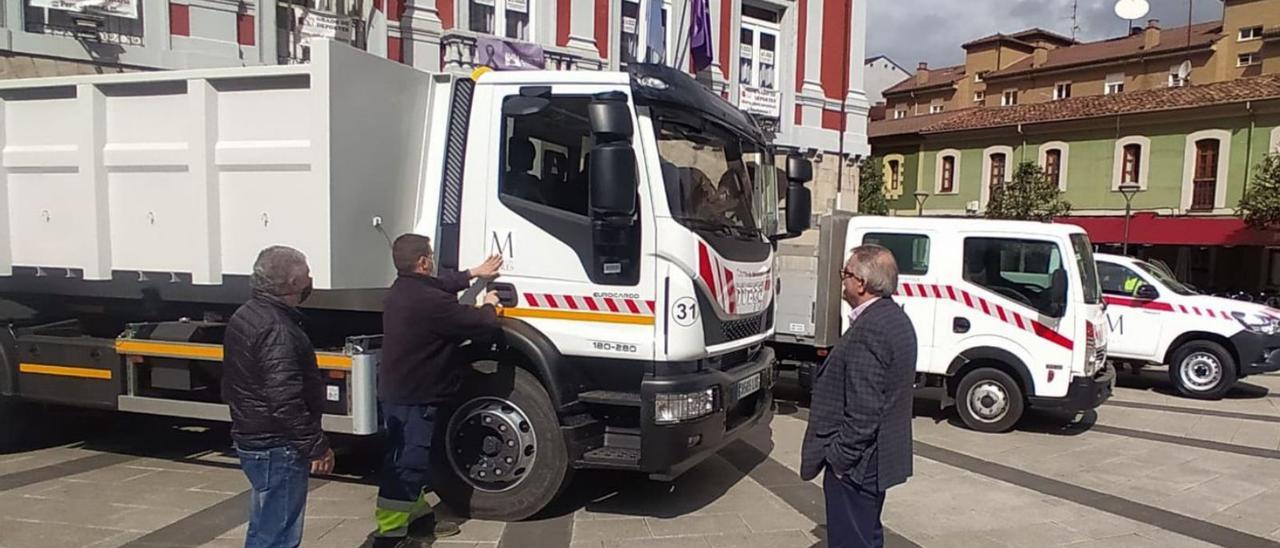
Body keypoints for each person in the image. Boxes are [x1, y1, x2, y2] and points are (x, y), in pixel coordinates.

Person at [373, 234, 504, 548]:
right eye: (430, 256)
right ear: (422, 262)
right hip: (415, 396)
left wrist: (473, 273)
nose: (432, 260)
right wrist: (489, 307)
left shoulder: (402, 290)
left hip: (399, 391)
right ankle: (390, 536)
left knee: (408, 458)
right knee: (406, 465)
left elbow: (439, 286)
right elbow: (477, 325)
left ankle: (417, 519)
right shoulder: (430, 302)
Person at [800, 245, 917, 548]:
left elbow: (865, 413)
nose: (843, 280)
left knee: (851, 540)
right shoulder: (895, 318)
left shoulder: (871, 329)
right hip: (874, 462)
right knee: (867, 535)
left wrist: (838, 461)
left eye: (846, 274)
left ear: (862, 283)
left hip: (857, 468)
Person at [223, 246, 334, 548]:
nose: (311, 279)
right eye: (307, 274)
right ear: (293, 283)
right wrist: (316, 447)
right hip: (277, 445)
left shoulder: (247, 314)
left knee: (264, 528)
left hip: (255, 438)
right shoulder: (277, 328)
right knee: (278, 535)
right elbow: (284, 400)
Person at [504, 137, 546, 204]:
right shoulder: (506, 179)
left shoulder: (534, 181)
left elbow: (542, 204)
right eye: (530, 155)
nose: (532, 159)